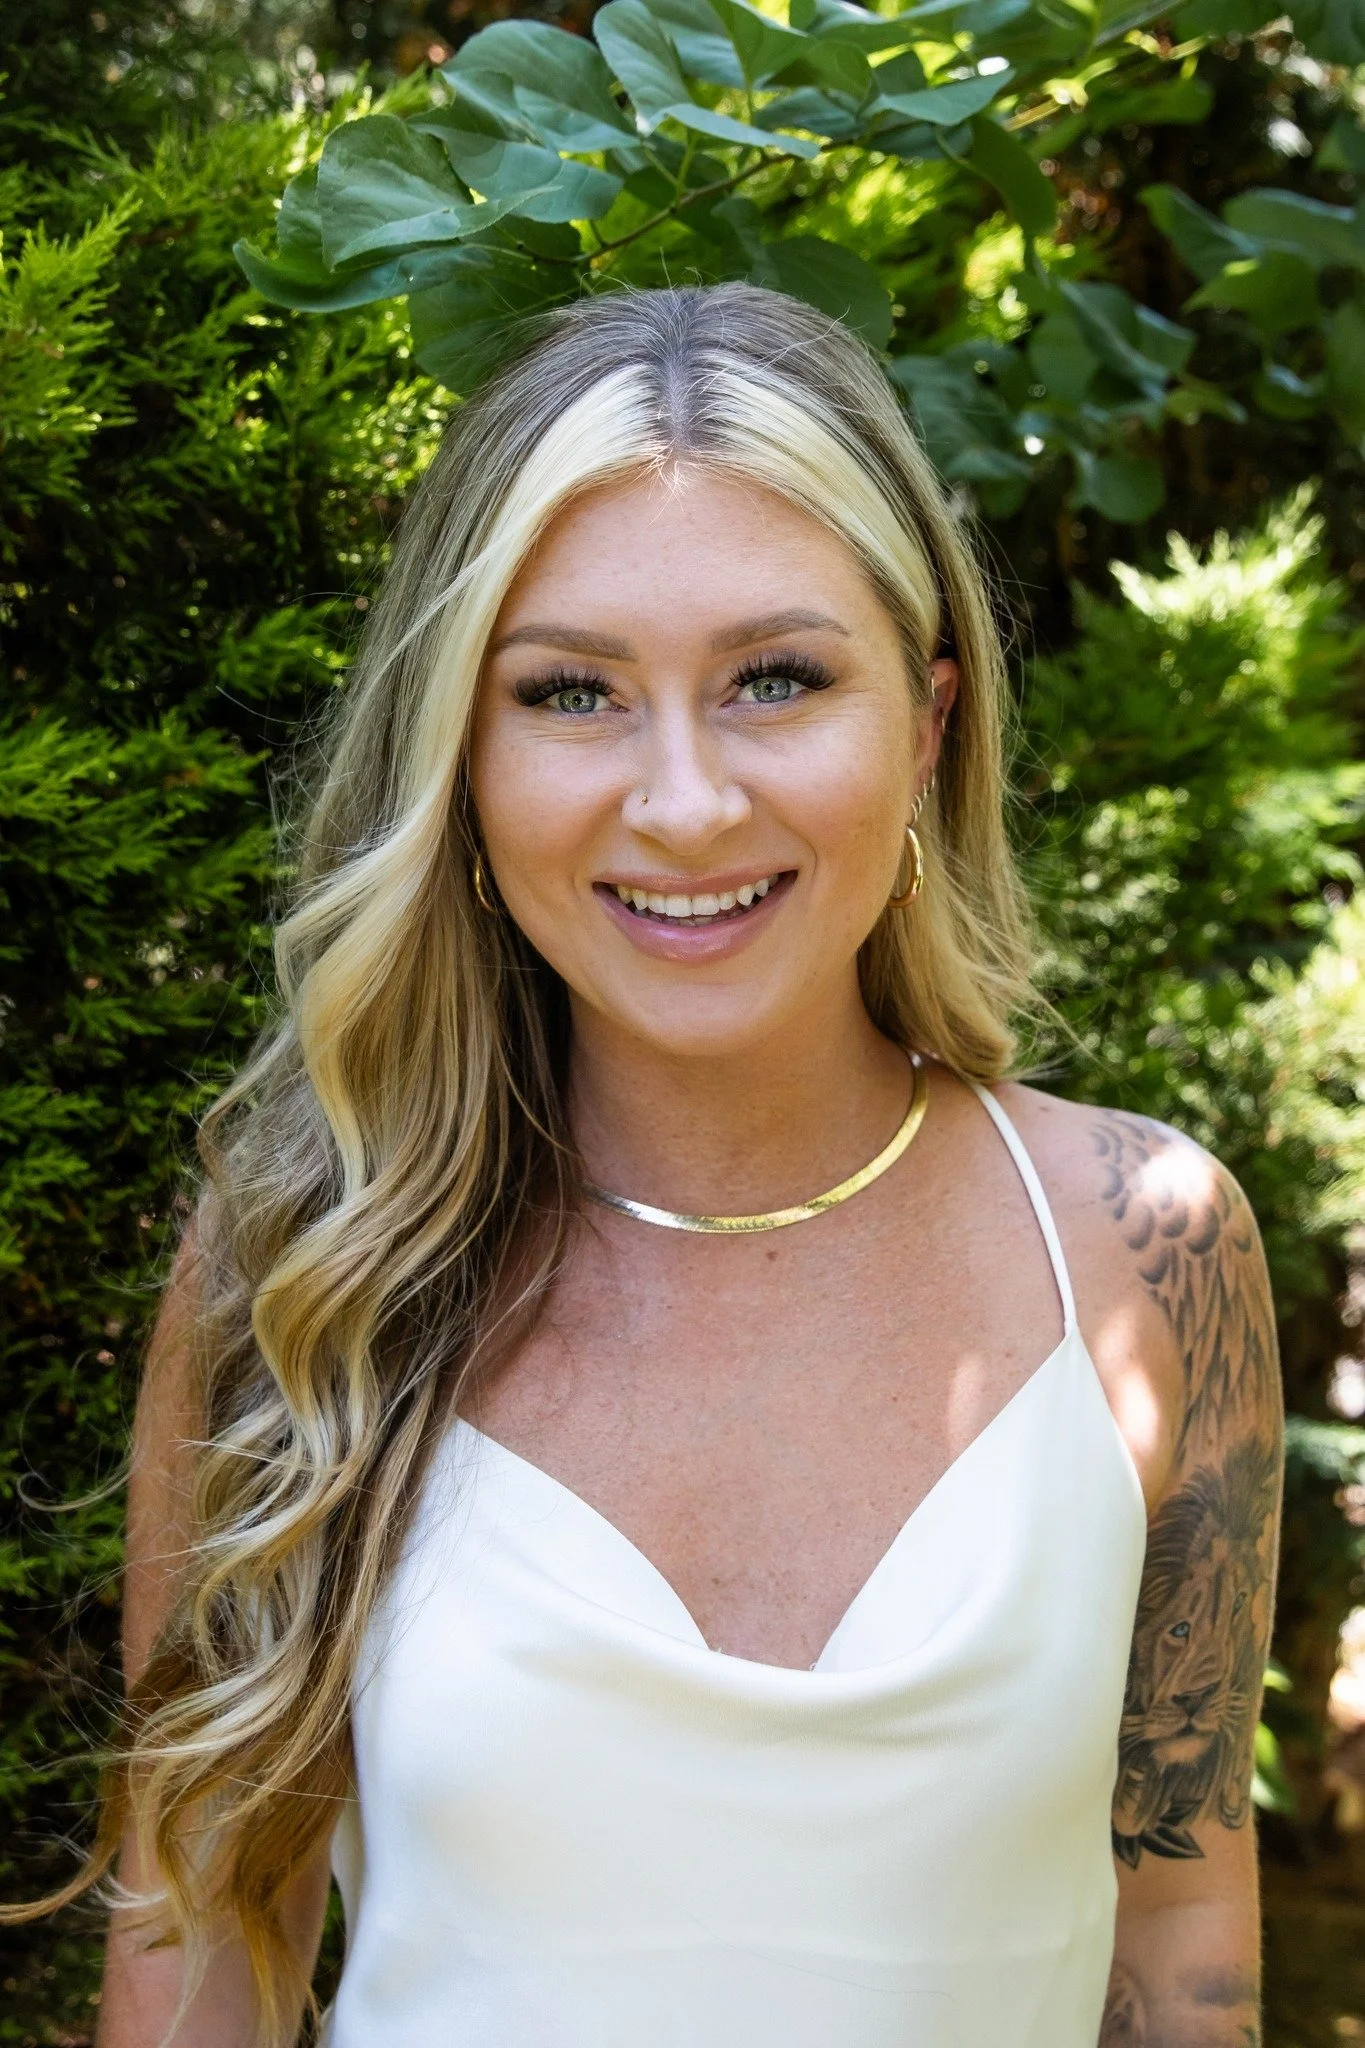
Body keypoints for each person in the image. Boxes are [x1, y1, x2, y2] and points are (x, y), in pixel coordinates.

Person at [59, 283, 1282, 2046]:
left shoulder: (1146, 1248)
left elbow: (1183, 1940)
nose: (687, 801)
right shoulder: (304, 1273)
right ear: (462, 753)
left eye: (777, 679)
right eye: (572, 693)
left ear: (928, 725)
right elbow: (195, 1947)